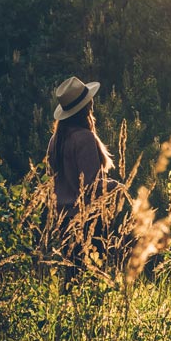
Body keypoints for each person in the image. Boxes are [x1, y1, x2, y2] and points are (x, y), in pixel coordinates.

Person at [46, 76, 117, 251]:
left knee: (72, 275)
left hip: (62, 221)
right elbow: (91, 186)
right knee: (91, 272)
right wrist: (116, 186)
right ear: (86, 107)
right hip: (86, 220)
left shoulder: (55, 141)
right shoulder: (84, 138)